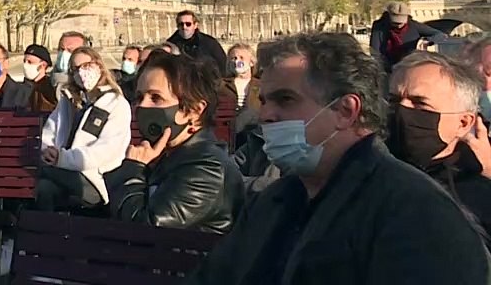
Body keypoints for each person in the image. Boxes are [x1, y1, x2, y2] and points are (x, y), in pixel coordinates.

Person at [188, 33, 491, 285]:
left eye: (286, 99)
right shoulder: (275, 201)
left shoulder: (415, 212)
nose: (266, 115)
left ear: (346, 111)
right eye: (264, 101)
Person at [105, 51, 242, 234]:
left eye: (156, 98)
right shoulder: (174, 156)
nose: (142, 106)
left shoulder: (207, 167)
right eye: (139, 97)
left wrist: (133, 168)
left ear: (194, 110)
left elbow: (147, 230)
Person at [387, 51, 491, 239]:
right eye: (394, 100)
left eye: (420, 104)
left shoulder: (478, 200)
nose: (402, 111)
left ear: (463, 123)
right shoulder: (359, 172)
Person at [36, 46, 132, 212]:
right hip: (61, 170)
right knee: (45, 187)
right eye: (75, 69)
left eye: (86, 65)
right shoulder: (68, 101)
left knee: (42, 175)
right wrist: (48, 151)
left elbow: (106, 151)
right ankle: (46, 236)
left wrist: (63, 159)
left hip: (95, 178)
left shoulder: (115, 103)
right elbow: (50, 131)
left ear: (99, 66)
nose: (81, 72)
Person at [370, 1, 450, 73]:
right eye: (395, 23)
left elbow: (440, 35)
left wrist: (426, 41)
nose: (398, 26)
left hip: (410, 68)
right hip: (387, 70)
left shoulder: (414, 26)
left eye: (401, 22)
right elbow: (375, 52)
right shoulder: (379, 27)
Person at [166, 10, 227, 77]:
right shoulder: (170, 45)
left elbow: (223, 66)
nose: (184, 27)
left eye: (188, 24)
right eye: (181, 24)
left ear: (195, 25)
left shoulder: (209, 43)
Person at [224, 44, 262, 141]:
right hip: (227, 136)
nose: (237, 61)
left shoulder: (262, 85)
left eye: (241, 57)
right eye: (233, 58)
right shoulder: (221, 86)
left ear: (251, 62)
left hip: (254, 136)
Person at [23, 44, 60, 112]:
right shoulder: (21, 88)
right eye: (24, 61)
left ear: (43, 65)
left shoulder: (50, 89)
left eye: (30, 62)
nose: (25, 65)